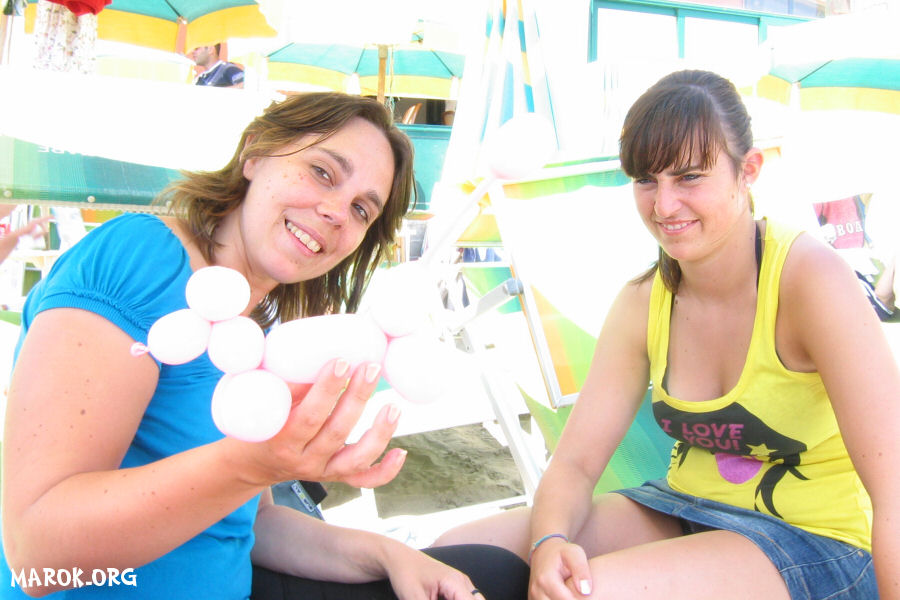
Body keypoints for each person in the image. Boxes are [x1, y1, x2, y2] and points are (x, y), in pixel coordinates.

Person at [0, 92, 528, 599]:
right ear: (255, 154)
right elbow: (36, 555)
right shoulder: (140, 257)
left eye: (362, 210)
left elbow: (253, 525)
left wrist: (391, 555)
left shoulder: (256, 329)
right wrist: (253, 464)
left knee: (490, 571)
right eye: (322, 172)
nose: (337, 212)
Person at [432, 70, 900, 599]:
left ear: (748, 170)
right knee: (455, 560)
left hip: (820, 542)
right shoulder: (643, 301)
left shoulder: (810, 282)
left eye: (689, 177)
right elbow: (576, 463)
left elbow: (894, 492)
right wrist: (549, 542)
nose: (664, 205)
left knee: (586, 591)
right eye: (646, 180)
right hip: (682, 508)